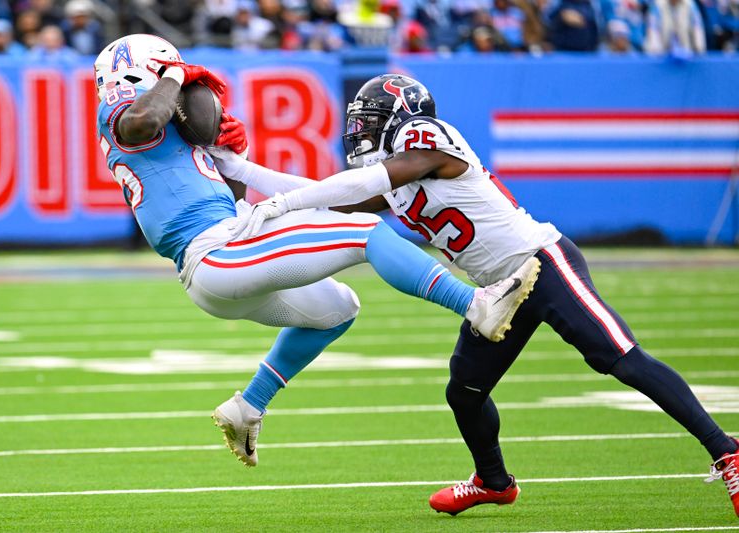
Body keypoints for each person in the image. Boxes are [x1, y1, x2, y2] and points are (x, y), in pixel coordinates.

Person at [208, 73, 739, 516]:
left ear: (401, 117)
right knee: (464, 391)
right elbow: (332, 200)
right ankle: (493, 482)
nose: (358, 131)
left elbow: (337, 190)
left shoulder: (426, 140)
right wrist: (238, 169)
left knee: (617, 356)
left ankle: (727, 453)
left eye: (369, 120)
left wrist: (283, 202)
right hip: (496, 291)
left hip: (541, 263)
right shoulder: (390, 178)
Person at [93, 36, 541, 467]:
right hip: (216, 252)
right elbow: (142, 122)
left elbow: (223, 191)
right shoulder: (120, 109)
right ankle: (475, 304)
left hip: (221, 258)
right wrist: (172, 77)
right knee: (366, 231)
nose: (184, 87)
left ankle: (248, 406)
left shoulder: (163, 130)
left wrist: (233, 153)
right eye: (170, 73)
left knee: (336, 309)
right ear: (141, 72)